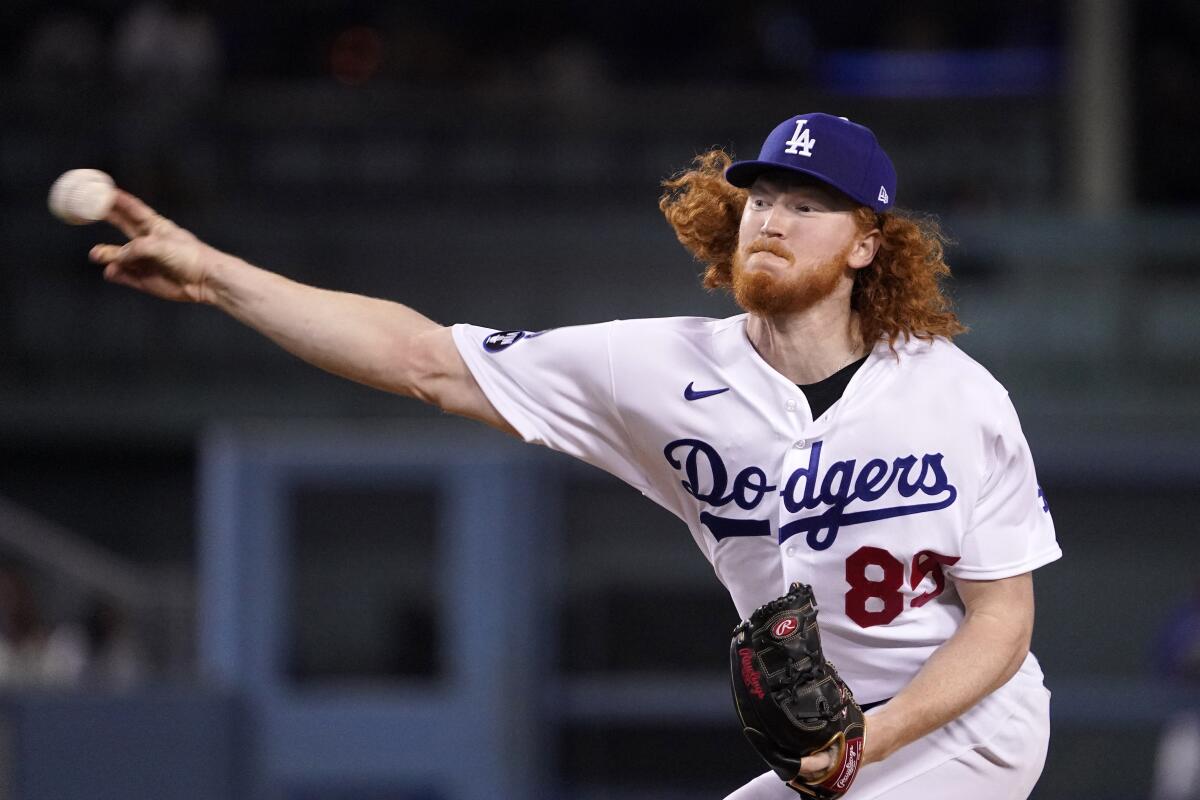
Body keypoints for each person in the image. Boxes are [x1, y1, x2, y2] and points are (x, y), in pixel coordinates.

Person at [87, 112, 1062, 799]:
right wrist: (215, 275)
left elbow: (1003, 620)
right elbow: (425, 359)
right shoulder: (659, 369)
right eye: (764, 193)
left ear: (865, 245)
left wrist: (868, 741)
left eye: (811, 203)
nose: (773, 214)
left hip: (967, 726)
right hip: (838, 750)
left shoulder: (956, 396)